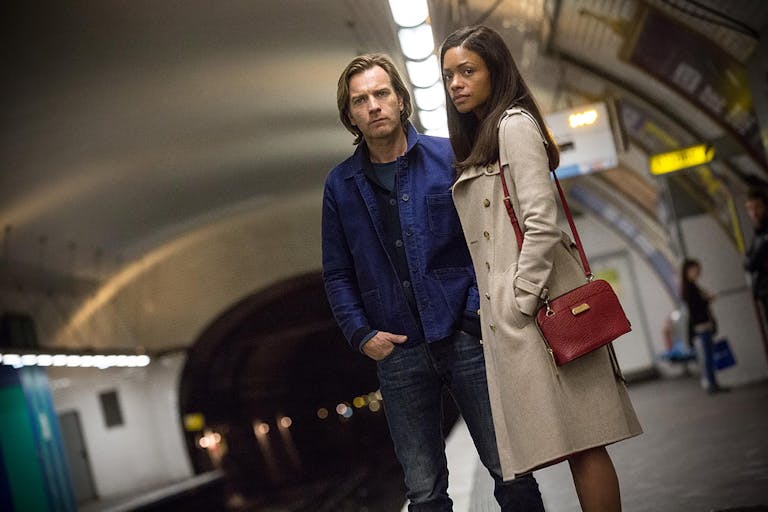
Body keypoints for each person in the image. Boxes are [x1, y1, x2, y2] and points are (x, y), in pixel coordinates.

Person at [322, 53, 545, 511]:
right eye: (360, 100)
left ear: (401, 100)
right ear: (350, 115)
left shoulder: (450, 157)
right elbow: (337, 272)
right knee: (423, 491)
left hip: (465, 336)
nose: (374, 106)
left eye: (382, 94)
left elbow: (485, 241)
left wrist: (473, 311)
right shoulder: (340, 185)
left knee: (512, 469)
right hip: (398, 351)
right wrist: (362, 335)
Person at [440, 26, 642, 512]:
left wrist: (519, 296)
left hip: (542, 311)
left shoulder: (513, 126)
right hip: (528, 318)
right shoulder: (487, 132)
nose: (456, 84)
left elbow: (540, 220)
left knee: (586, 440)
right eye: (449, 75)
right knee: (576, 441)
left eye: (468, 71)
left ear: (496, 70)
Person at [680, 258, 728, 394]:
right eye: (695, 269)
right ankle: (712, 384)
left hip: (702, 325)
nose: (697, 272)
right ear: (688, 271)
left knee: (708, 355)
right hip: (701, 325)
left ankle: (712, 383)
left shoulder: (690, 286)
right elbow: (696, 307)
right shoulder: (690, 288)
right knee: (708, 355)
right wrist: (707, 300)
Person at [745, 187, 768, 326]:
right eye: (749, 209)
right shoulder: (757, 234)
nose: (753, 213)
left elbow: (752, 262)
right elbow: (748, 263)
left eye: (757, 207)